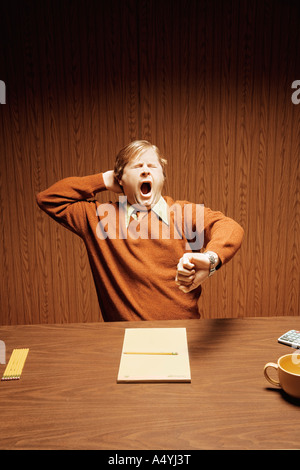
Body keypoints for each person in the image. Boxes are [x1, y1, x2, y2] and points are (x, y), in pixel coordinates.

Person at [36, 140, 244, 321]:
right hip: (125, 336)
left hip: (183, 331)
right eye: (136, 166)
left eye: (152, 166)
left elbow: (229, 227)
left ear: (163, 178)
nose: (145, 170)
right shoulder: (99, 218)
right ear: (120, 180)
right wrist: (104, 180)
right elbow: (49, 199)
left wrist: (211, 260)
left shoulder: (183, 213)